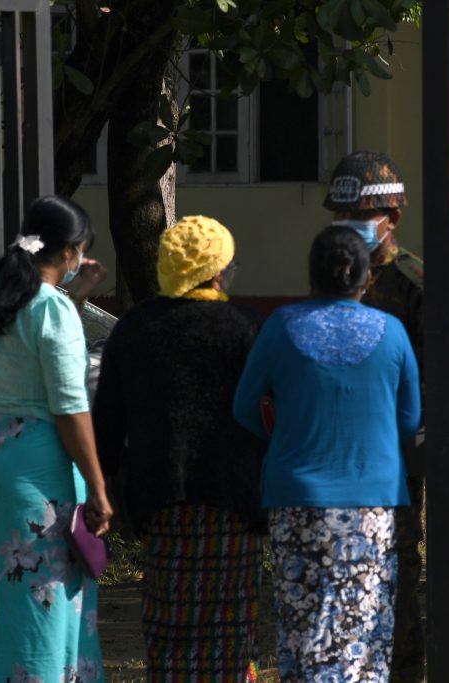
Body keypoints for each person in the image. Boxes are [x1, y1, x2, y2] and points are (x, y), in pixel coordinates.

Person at [233, 225, 421, 683]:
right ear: (367, 278)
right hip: (371, 504)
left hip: (295, 498)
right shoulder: (392, 332)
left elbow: (244, 407)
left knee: (304, 627)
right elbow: (410, 419)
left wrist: (283, 437)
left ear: (311, 274)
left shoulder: (281, 326)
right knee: (365, 627)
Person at [92, 215, 266, 682]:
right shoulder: (245, 326)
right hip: (234, 499)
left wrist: (101, 487)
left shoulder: (135, 329)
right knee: (230, 619)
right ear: (215, 271)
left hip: (160, 499)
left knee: (171, 618)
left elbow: (107, 418)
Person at [0, 195, 112, 683]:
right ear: (70, 252)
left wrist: (76, 295)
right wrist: (100, 490)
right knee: (41, 604)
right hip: (36, 471)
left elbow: (34, 332)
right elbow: (69, 408)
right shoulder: (53, 310)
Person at [322, 150, 427, 683]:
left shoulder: (412, 281)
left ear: (393, 218)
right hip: (338, 448)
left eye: (361, 215)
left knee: (397, 560)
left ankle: (403, 667)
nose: (350, 226)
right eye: (343, 216)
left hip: (394, 447)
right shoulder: (332, 271)